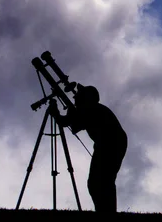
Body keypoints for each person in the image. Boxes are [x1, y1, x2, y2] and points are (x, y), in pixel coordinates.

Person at [50, 84, 128, 213]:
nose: (75, 97)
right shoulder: (92, 108)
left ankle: (106, 212)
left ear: (86, 98)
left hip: (110, 145)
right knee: (101, 182)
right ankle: (105, 211)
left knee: (100, 182)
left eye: (79, 95)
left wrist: (56, 113)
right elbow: (74, 125)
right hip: (111, 145)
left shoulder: (90, 109)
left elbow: (70, 124)